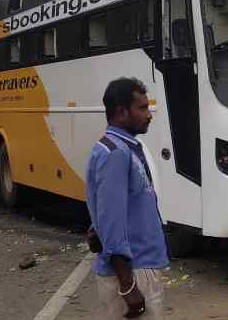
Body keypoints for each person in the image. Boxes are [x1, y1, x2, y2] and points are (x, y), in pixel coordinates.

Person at [85, 78, 169, 319]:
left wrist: (95, 229)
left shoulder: (121, 148)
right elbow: (112, 221)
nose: (149, 114)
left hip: (139, 267)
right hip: (134, 271)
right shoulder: (116, 154)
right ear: (122, 112)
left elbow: (105, 207)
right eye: (142, 108)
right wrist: (128, 286)